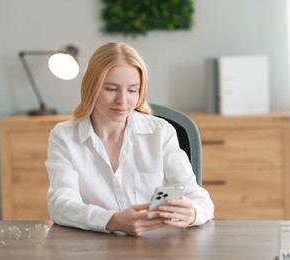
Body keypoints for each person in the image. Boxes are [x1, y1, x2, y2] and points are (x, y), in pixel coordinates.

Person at [45, 42, 214, 236]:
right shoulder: (64, 137)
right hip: (95, 249)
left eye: (133, 90)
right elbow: (60, 204)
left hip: (157, 249)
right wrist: (112, 220)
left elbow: (201, 200)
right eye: (111, 89)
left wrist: (192, 212)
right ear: (91, 87)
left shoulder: (161, 132)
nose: (123, 100)